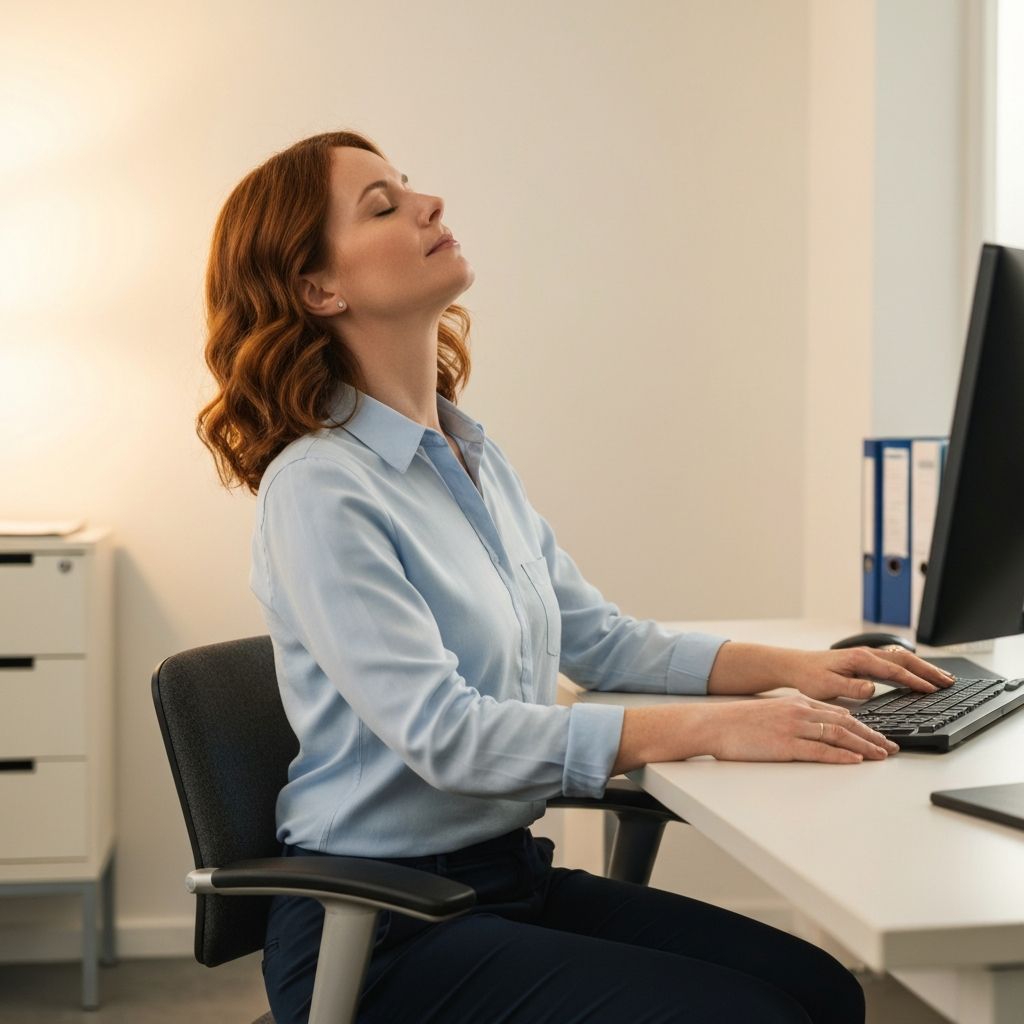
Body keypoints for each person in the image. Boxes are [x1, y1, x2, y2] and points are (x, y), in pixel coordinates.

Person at [196, 130, 953, 1024]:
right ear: (319, 289)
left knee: (821, 992)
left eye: (410, 187)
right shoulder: (320, 489)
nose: (429, 204)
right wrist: (713, 730)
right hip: (381, 928)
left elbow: (601, 639)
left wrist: (796, 670)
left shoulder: (467, 452)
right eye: (383, 205)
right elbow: (446, 735)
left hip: (505, 879)